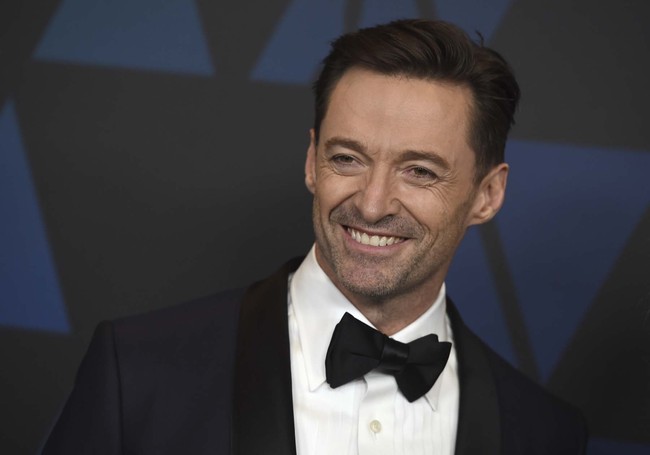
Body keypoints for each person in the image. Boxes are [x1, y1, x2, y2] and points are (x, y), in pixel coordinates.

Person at [42, 19, 587, 454]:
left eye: (419, 170)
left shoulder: (544, 434)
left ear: (487, 195)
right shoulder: (137, 373)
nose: (372, 204)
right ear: (311, 162)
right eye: (347, 158)